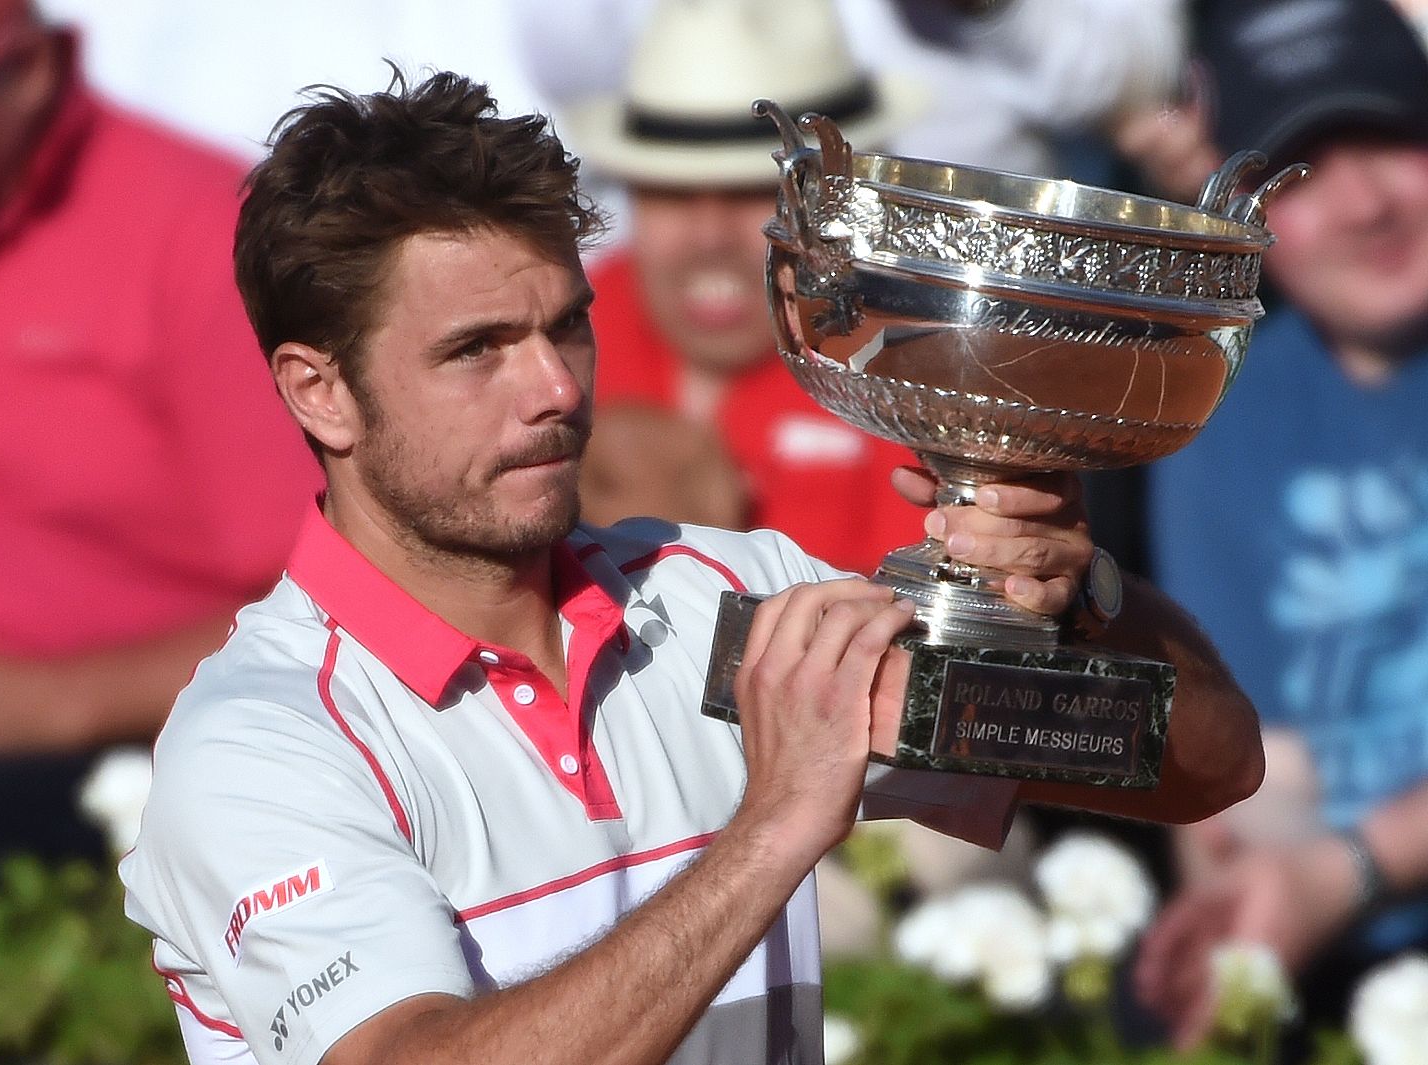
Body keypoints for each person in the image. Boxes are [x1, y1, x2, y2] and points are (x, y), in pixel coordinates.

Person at [119, 70, 1263, 1065]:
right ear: (318, 391)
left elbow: (1207, 767)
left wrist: (1076, 599)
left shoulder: (716, 595)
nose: (557, 389)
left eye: (565, 326)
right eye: (477, 351)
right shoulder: (260, 745)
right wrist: (772, 828)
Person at [0, 0, 316, 882]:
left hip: (86, 786)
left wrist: (51, 704)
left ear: (26, 74)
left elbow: (343, 612)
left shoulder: (208, 239)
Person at [1123, 0, 1428, 1046]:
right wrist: (1242, 902)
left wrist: (1347, 869)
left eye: (1389, 140)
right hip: (1357, 956)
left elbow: (1329, 861)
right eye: (1300, 175)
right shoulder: (1222, 422)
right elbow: (1269, 772)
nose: (1363, 204)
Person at [564, 0, 932, 574]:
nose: (709, 235)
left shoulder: (925, 377)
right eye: (671, 190)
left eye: (750, 189)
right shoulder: (545, 333)